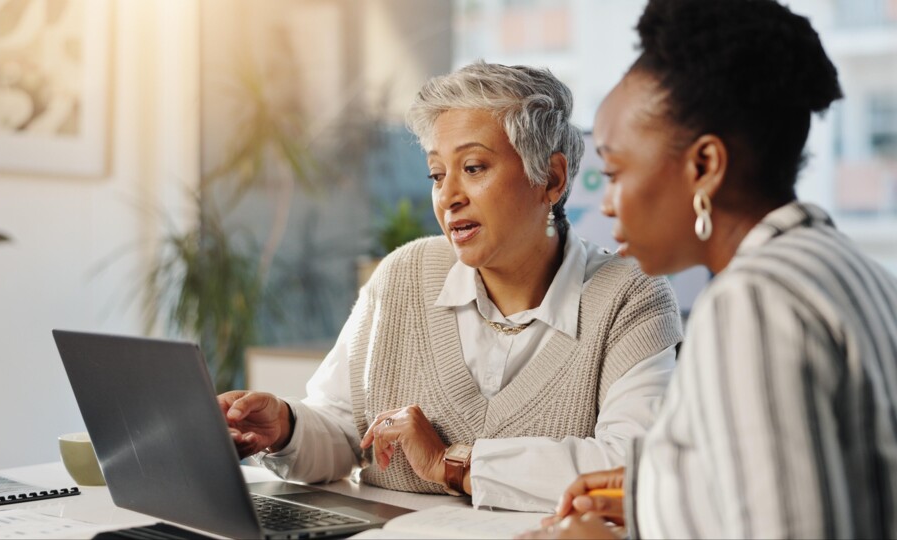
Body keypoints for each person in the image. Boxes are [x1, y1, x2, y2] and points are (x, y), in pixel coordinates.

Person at [218, 61, 684, 512]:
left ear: (551, 178)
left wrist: (453, 464)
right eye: (437, 174)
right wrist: (285, 427)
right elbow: (343, 431)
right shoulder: (403, 275)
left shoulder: (630, 296)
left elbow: (633, 466)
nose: (448, 196)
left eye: (474, 168)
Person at [519, 0, 897, 538]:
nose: (606, 204)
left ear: (704, 166)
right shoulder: (851, 270)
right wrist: (670, 490)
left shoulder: (753, 304)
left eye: (615, 172)